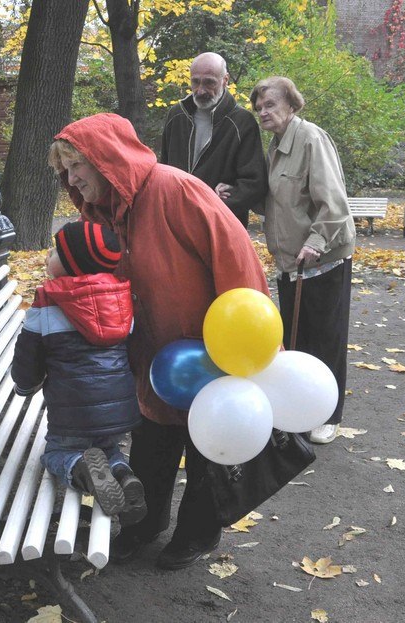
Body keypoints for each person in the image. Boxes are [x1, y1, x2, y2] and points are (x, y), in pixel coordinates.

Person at [49, 113, 270, 570]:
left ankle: (197, 533)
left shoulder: (174, 188)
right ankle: (143, 524)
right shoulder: (102, 212)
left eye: (77, 167)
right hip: (151, 356)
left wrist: (249, 349)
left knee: (208, 446)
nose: (70, 179)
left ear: (105, 160)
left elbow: (236, 256)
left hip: (210, 353)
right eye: (65, 171)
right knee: (151, 439)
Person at [11, 221, 146, 525]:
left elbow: (27, 359)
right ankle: (123, 476)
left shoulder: (46, 305)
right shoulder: (122, 301)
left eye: (57, 252)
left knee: (55, 454)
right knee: (108, 448)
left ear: (72, 264)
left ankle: (80, 469)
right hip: (118, 412)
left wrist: (24, 386)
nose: (49, 254)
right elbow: (133, 352)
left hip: (71, 415)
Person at [250, 76, 356, 445]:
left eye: (270, 105)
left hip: (321, 259)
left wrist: (315, 242)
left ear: (291, 106)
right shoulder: (276, 146)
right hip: (291, 263)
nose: (263, 112)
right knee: (300, 342)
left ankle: (329, 415)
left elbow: (335, 202)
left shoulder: (311, 138)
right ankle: (304, 409)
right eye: (259, 107)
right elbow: (279, 202)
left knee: (325, 339)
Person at [159, 52, 268, 229]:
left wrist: (218, 203)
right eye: (195, 81)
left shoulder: (242, 122)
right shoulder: (176, 115)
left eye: (209, 82)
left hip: (221, 226)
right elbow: (164, 169)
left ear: (225, 80)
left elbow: (254, 184)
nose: (200, 90)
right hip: (176, 223)